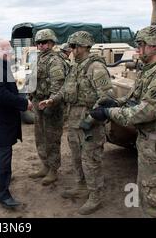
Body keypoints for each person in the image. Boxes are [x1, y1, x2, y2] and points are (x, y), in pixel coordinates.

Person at [89, 25, 156, 218]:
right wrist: (116, 103)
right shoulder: (150, 71)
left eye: (141, 44)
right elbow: (135, 99)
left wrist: (108, 112)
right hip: (150, 144)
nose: (137, 48)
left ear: (154, 47)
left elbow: (144, 112)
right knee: (147, 193)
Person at [40, 31, 113, 215]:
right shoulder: (76, 66)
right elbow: (65, 90)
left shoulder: (95, 67)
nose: (71, 50)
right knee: (76, 156)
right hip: (74, 119)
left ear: (83, 47)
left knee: (91, 159)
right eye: (70, 47)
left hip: (89, 122)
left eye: (74, 47)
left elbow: (107, 97)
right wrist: (52, 100)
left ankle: (95, 196)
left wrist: (91, 119)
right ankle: (82, 185)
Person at [0, 39, 33, 209]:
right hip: (0, 122)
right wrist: (24, 104)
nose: (11, 54)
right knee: (3, 158)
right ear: (2, 50)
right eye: (10, 51)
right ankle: (3, 195)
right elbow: (2, 95)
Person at [29, 29, 68, 186]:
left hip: (51, 105)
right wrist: (30, 97)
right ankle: (45, 165)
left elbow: (58, 84)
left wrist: (51, 102)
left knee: (52, 138)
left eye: (44, 42)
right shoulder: (38, 59)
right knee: (40, 136)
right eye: (38, 43)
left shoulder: (55, 60)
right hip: (39, 102)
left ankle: (53, 169)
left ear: (52, 43)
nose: (41, 45)